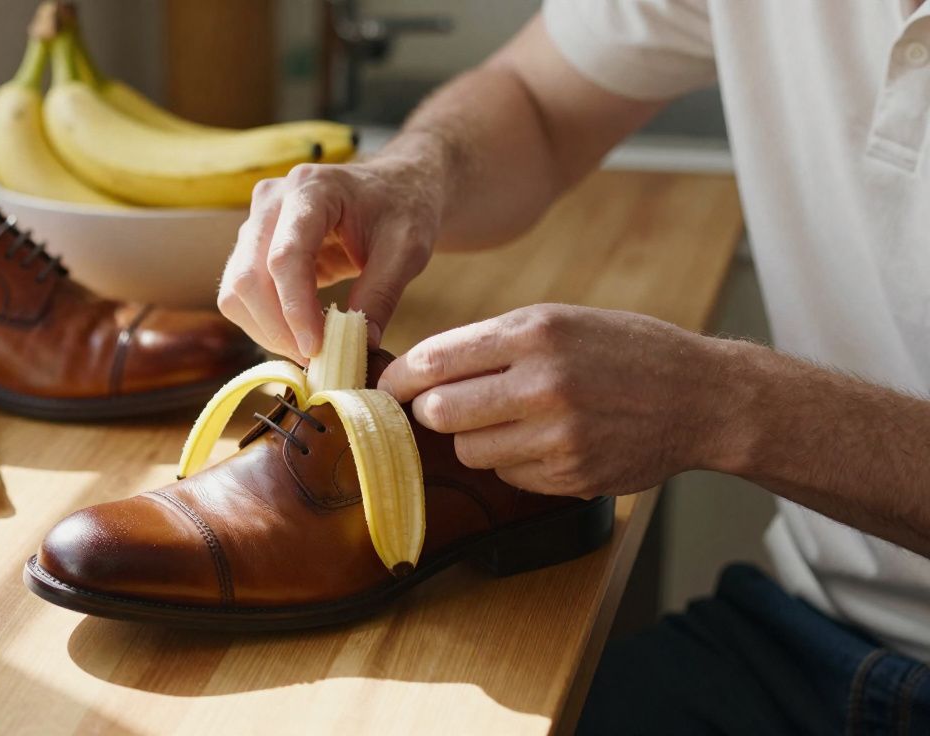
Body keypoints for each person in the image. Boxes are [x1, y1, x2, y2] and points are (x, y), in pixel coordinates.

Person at [218, 1, 930, 733]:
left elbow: (723, 403)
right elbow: (535, 101)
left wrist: (724, 403)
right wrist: (411, 174)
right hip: (804, 632)